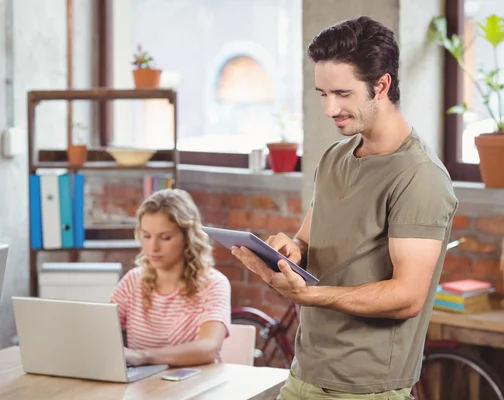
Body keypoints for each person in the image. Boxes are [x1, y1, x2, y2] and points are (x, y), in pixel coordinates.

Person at [232, 16, 458, 399]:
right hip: (305, 373)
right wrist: (289, 251)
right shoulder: (335, 157)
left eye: (342, 93)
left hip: (366, 388)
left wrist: (310, 295)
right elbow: (308, 238)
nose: (329, 108)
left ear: (381, 85)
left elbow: (408, 297)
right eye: (322, 93)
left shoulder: (420, 175)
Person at [110, 189, 231, 367]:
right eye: (146, 236)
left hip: (199, 386)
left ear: (187, 238)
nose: (153, 247)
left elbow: (209, 347)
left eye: (165, 238)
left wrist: (142, 357)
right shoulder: (133, 281)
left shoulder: (213, 284)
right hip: (146, 389)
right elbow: (101, 332)